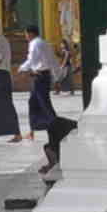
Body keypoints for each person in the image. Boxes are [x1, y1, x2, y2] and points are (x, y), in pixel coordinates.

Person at [23, 19, 71, 170]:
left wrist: (22, 68)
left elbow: (32, 61)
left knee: (44, 106)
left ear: (30, 34)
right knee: (34, 103)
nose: (25, 37)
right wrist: (56, 77)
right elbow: (53, 62)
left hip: (40, 77)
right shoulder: (44, 44)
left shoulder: (35, 44)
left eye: (26, 34)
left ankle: (57, 128)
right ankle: (37, 129)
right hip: (43, 77)